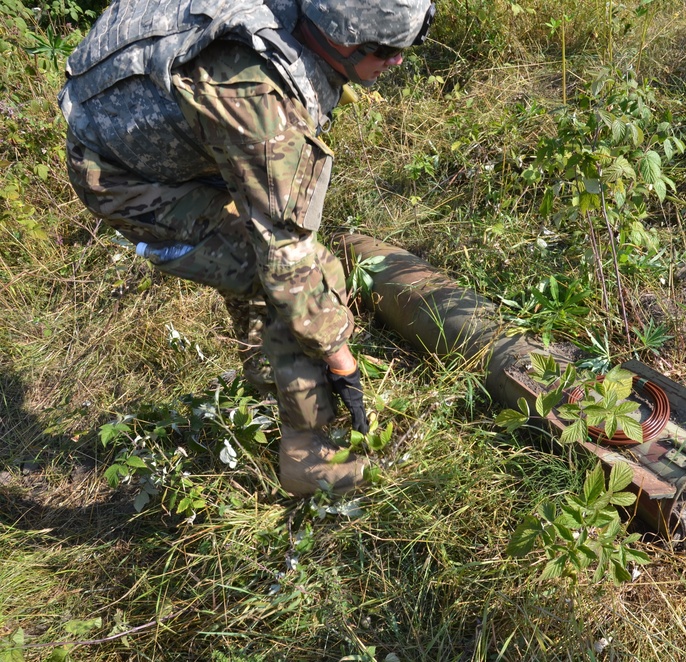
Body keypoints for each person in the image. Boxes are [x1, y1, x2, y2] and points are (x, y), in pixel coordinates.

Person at [59, 0, 435, 496]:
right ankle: (307, 454)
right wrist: (340, 356)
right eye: (386, 49)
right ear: (343, 37)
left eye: (410, 45)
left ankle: (269, 385)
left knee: (274, 264)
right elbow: (286, 264)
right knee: (296, 284)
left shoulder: (293, 19)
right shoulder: (256, 95)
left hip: (153, 143)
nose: (398, 62)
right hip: (126, 181)